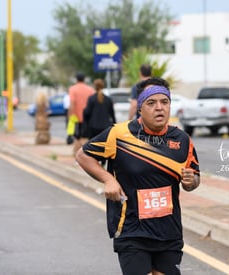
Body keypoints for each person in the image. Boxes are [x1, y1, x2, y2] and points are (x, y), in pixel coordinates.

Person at [75, 77, 200, 275]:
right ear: (140, 107)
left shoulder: (182, 140)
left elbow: (194, 179)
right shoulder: (119, 134)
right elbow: (83, 155)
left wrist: (191, 181)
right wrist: (108, 179)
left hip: (168, 231)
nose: (159, 108)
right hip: (132, 230)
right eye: (151, 103)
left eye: (164, 102)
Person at [68, 72, 95, 155]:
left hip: (76, 117)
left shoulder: (73, 89)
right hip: (88, 117)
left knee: (77, 137)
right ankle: (86, 153)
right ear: (84, 79)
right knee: (86, 137)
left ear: (76, 79)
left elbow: (72, 103)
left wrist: (70, 115)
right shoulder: (90, 89)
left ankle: (77, 154)